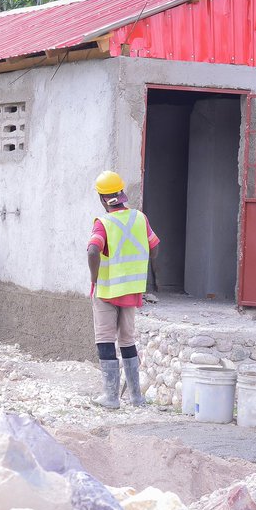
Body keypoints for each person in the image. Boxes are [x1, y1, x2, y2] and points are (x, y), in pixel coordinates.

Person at [87, 170, 159, 409]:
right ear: (121, 193)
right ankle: (136, 397)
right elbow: (155, 247)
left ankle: (111, 397)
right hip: (132, 290)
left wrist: (93, 277)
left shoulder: (104, 223)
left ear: (101, 198)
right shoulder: (140, 218)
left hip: (107, 290)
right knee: (127, 340)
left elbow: (93, 250)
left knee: (105, 339)